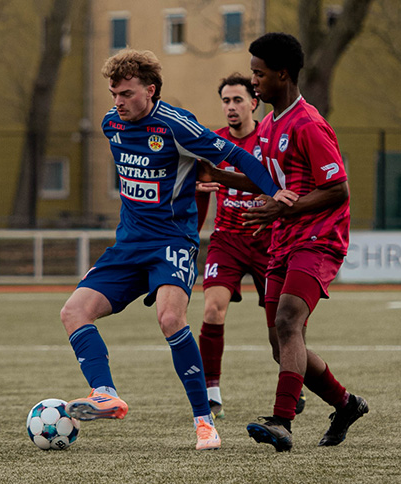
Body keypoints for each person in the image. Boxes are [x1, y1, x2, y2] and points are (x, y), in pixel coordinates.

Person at [60, 49, 297, 451]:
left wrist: (274, 190)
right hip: (128, 244)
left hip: (171, 242)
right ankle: (104, 393)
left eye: (127, 93)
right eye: (114, 93)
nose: (118, 102)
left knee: (170, 318)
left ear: (150, 90)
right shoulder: (110, 124)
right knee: (73, 312)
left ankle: (205, 422)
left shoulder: (175, 124)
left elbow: (236, 155)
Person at [202, 33, 368, 451]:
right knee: (282, 345)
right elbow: (267, 180)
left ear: (283, 74)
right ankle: (346, 405)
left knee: (289, 321)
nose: (253, 81)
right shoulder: (272, 123)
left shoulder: (308, 124)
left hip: (319, 237)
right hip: (284, 238)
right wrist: (219, 175)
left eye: (259, 74)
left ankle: (282, 421)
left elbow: (338, 190)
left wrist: (281, 209)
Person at [194, 74, 306, 419]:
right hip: (226, 239)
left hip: (268, 240)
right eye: (226, 101)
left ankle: (293, 382)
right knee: (212, 310)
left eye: (238, 100)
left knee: (282, 324)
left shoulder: (269, 138)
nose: (231, 107)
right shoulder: (213, 144)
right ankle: (211, 393)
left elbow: (288, 182)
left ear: (254, 103)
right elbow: (200, 186)